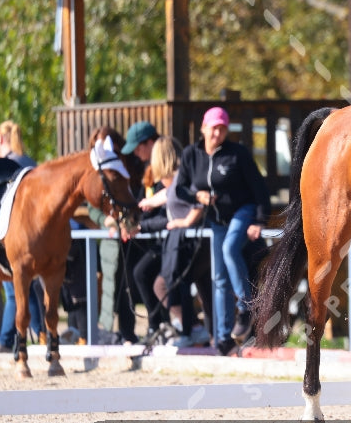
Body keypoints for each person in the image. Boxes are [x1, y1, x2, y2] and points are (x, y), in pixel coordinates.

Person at [175, 106, 271, 355]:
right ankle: (222, 339)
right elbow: (180, 189)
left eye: (222, 128)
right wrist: (198, 195)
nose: (217, 132)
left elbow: (259, 189)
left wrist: (260, 221)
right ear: (203, 128)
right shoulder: (190, 154)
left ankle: (246, 305)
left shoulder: (236, 154)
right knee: (218, 279)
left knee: (230, 248)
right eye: (214, 127)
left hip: (243, 211)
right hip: (217, 221)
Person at [88, 121, 159, 343]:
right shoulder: (97, 170)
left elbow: (139, 194)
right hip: (113, 238)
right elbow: (93, 206)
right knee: (116, 285)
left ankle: (153, 327)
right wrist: (106, 219)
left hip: (137, 232)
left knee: (136, 279)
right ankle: (124, 333)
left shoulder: (134, 165)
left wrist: (131, 220)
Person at [147, 135, 210, 348]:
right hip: (189, 242)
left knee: (168, 284)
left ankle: (192, 328)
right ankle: (197, 330)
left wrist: (184, 222)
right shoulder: (177, 180)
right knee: (195, 289)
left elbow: (198, 201)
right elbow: (169, 194)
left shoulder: (184, 178)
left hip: (193, 241)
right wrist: (147, 202)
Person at [0, 120, 46, 351]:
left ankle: (5, 340)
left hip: (11, 234)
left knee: (13, 290)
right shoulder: (29, 162)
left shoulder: (5, 166)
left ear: (1, 139)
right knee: (28, 289)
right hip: (36, 234)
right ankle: (42, 333)